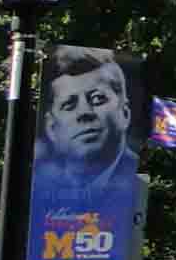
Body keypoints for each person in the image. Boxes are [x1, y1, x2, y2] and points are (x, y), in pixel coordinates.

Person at [32, 49, 139, 199]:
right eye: (69, 105)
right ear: (51, 128)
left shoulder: (133, 179)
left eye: (97, 99)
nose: (84, 112)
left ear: (125, 114)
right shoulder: (43, 183)